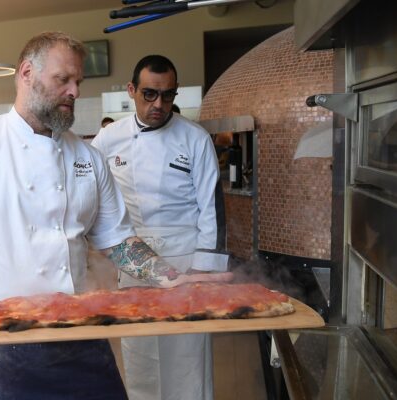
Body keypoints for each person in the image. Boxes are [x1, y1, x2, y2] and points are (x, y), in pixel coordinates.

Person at [0, 32, 232, 400]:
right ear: (26, 74)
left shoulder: (86, 157)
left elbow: (119, 240)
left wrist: (168, 277)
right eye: (63, 80)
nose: (74, 91)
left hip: (79, 332)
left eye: (78, 82)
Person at [92, 54, 229, 400]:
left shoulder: (195, 138)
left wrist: (204, 268)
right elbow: (89, 191)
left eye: (168, 96)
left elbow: (212, 208)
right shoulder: (109, 139)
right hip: (134, 258)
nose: (159, 104)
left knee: (186, 354)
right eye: (150, 94)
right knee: (141, 354)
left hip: (186, 256)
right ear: (131, 91)